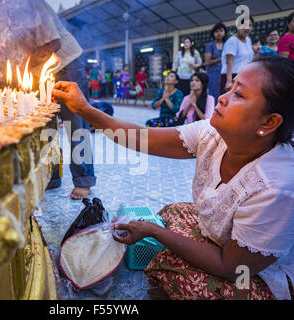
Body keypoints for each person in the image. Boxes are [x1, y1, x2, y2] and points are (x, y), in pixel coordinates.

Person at [52, 56, 294, 300]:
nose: (222, 97)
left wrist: (153, 231)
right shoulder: (212, 134)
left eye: (238, 95)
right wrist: (84, 109)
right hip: (222, 244)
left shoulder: (276, 187)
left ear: (269, 121)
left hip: (255, 274)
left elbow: (231, 268)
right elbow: (142, 137)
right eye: (230, 88)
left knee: (187, 280)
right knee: (172, 213)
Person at [0, 0, 96, 200]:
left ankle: (83, 180)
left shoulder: (28, 4)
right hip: (35, 73)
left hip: (66, 65)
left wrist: (22, 68)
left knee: (75, 124)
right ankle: (51, 175)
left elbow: (53, 44)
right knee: (44, 123)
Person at [220, 16, 254, 94]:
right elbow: (229, 62)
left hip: (244, 76)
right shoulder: (232, 41)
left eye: (250, 25)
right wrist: (229, 81)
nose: (247, 28)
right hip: (232, 76)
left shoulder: (248, 40)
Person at [205, 22, 227, 104]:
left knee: (225, 95)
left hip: (225, 74)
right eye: (216, 31)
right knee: (213, 96)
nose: (219, 33)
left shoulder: (227, 44)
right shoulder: (210, 45)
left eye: (221, 31)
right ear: (213, 33)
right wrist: (221, 59)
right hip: (213, 75)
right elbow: (207, 62)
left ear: (224, 32)